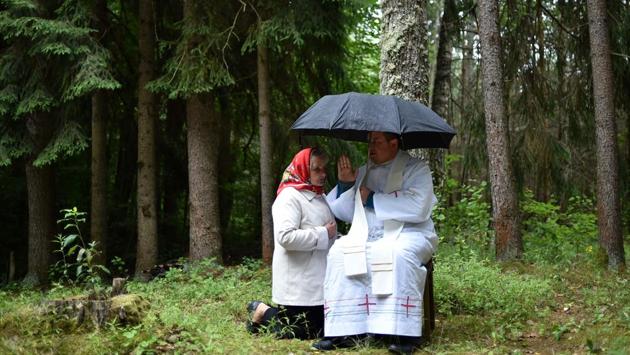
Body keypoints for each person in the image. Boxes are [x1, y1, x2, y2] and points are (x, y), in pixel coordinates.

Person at [312, 132, 438, 354]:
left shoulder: (416, 169)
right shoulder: (362, 171)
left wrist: (372, 198)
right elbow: (346, 213)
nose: (371, 146)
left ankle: (403, 335)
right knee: (340, 253)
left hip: (411, 233)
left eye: (376, 141)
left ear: (393, 143)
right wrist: (346, 184)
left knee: (397, 254)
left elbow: (419, 207)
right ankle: (345, 331)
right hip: (368, 234)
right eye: (369, 141)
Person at [247, 147, 337, 339]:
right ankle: (263, 311)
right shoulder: (289, 197)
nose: (322, 174)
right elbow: (285, 237)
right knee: (302, 331)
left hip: (317, 280)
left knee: (321, 328)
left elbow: (327, 232)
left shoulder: (319, 195)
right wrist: (322, 233)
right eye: (316, 169)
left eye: (323, 169)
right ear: (303, 168)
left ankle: (267, 312)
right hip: (298, 283)